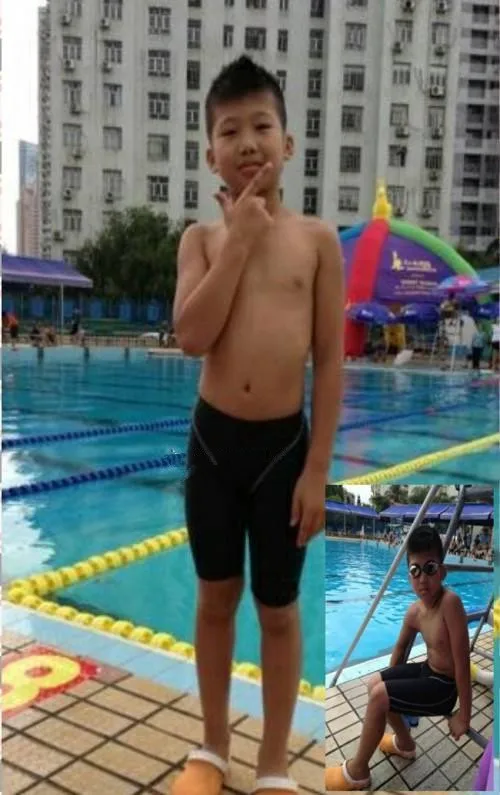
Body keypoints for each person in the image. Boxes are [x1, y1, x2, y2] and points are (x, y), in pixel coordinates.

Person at [171, 55, 344, 795]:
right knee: (215, 600)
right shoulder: (200, 241)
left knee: (279, 611)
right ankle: (213, 745)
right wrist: (237, 239)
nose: (247, 142)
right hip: (213, 447)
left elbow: (330, 363)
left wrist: (318, 469)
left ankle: (273, 764)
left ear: (288, 142)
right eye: (229, 130)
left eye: (261, 126)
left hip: (283, 454)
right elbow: (191, 335)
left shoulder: (318, 241)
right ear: (210, 152)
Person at [326, 526, 471, 791]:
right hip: (428, 671)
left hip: (445, 688)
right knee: (375, 685)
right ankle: (405, 744)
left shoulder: (450, 604)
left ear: (442, 571)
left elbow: (463, 663)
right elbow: (400, 650)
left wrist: (464, 715)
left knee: (380, 695)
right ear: (409, 576)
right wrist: (391, 691)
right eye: (415, 570)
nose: (422, 579)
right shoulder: (414, 611)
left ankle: (357, 772)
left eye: (429, 568)